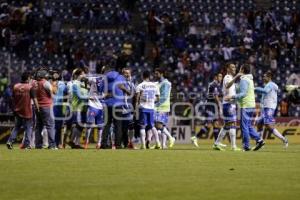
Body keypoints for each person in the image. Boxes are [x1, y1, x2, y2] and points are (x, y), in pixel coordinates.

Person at [226, 64, 265, 151]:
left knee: (244, 127)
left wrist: (232, 96)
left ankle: (246, 146)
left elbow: (243, 94)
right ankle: (259, 140)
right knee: (248, 126)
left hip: (246, 105)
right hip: (251, 104)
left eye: (240, 68)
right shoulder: (250, 80)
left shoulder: (244, 80)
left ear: (242, 70)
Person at [255, 71, 288, 148]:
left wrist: (255, 88)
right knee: (259, 124)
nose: (263, 78)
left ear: (269, 77)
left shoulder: (271, 85)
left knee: (268, 125)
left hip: (269, 107)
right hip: (265, 107)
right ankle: (260, 142)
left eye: (265, 76)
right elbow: (265, 95)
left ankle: (284, 139)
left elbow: (265, 91)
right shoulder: (268, 85)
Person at [6, 72, 39, 149]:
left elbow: (12, 98)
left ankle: (10, 141)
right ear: (28, 78)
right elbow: (34, 99)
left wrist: (13, 108)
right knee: (28, 128)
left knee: (16, 127)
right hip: (27, 110)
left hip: (17, 110)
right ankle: (27, 145)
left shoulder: (16, 86)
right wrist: (38, 108)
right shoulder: (30, 87)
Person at [101, 65, 130, 149]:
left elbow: (103, 91)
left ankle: (104, 144)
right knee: (118, 125)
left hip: (107, 104)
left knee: (106, 125)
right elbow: (126, 90)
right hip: (118, 104)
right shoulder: (121, 77)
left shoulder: (105, 78)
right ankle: (118, 144)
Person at [213, 64, 241, 151]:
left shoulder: (231, 78)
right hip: (228, 104)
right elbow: (228, 85)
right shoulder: (227, 77)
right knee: (231, 123)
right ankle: (233, 146)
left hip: (231, 104)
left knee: (228, 125)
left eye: (235, 67)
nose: (234, 68)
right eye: (232, 67)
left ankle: (217, 143)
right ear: (228, 69)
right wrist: (236, 76)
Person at [191, 72, 223, 147]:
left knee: (216, 124)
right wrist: (220, 106)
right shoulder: (213, 84)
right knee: (208, 125)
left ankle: (216, 143)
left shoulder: (217, 85)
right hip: (210, 107)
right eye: (219, 76)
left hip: (213, 107)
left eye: (221, 76)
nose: (221, 78)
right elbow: (216, 97)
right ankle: (195, 137)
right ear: (215, 77)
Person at [135, 70, 161, 149]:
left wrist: (136, 108)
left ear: (143, 76)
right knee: (152, 126)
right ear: (149, 76)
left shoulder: (140, 86)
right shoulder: (154, 85)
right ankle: (158, 143)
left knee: (142, 126)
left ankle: (143, 145)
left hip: (143, 108)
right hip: (151, 108)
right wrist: (152, 101)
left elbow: (137, 98)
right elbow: (158, 98)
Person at [34, 68, 56, 149]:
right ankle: (52, 145)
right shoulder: (45, 83)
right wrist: (53, 82)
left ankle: (38, 145)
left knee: (38, 126)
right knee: (50, 125)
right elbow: (54, 91)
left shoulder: (35, 83)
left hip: (37, 107)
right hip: (46, 106)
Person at [154, 68, 175, 149]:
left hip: (163, 107)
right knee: (161, 126)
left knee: (158, 125)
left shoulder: (166, 83)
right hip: (159, 107)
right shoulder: (157, 83)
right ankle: (163, 145)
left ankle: (170, 138)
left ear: (161, 73)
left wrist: (155, 104)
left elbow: (164, 96)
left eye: (157, 73)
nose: (155, 75)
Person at [69, 68, 88, 149]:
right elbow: (80, 96)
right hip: (77, 107)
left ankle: (76, 143)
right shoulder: (75, 84)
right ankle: (72, 140)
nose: (84, 75)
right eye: (82, 74)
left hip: (84, 108)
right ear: (77, 75)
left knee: (81, 126)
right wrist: (89, 97)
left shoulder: (83, 84)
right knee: (77, 125)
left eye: (84, 74)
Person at [84, 74, 105, 149]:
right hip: (97, 105)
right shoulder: (107, 81)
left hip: (95, 105)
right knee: (99, 126)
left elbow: (84, 78)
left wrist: (87, 87)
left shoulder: (94, 79)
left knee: (94, 125)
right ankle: (96, 143)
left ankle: (89, 143)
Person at [122, 68, 136, 149]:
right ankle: (115, 143)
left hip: (129, 109)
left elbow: (134, 96)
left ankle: (130, 142)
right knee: (120, 127)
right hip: (121, 108)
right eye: (125, 73)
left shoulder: (132, 84)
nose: (127, 75)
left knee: (131, 126)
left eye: (128, 73)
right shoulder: (120, 83)